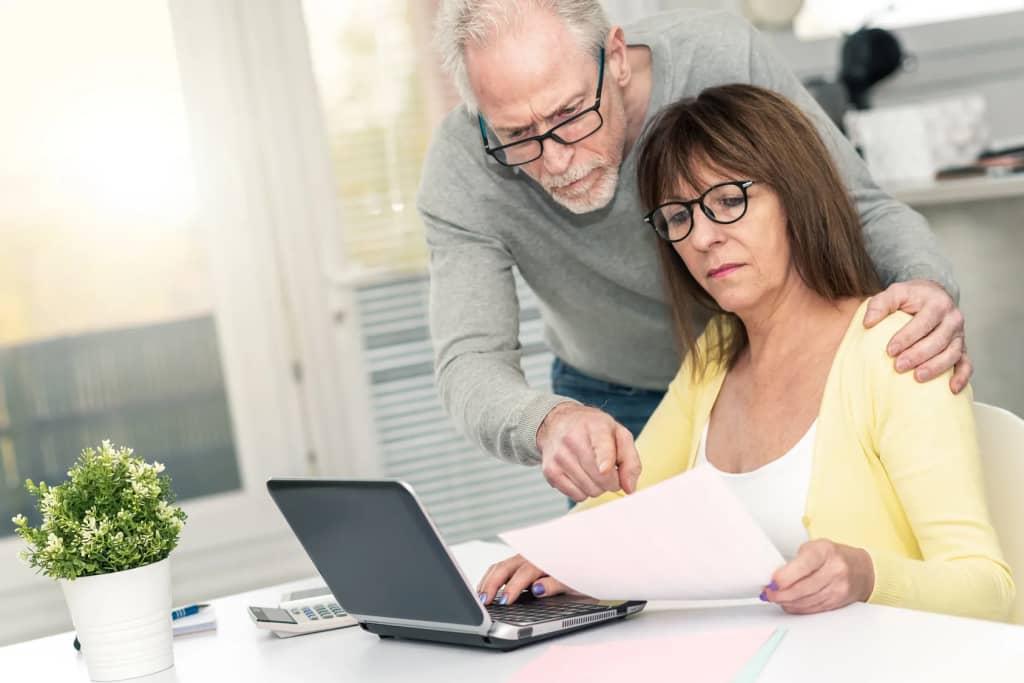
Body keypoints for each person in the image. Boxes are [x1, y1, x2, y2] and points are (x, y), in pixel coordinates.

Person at [475, 84, 1014, 622]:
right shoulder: (714, 354)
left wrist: (866, 576)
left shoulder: (897, 347)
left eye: (729, 201)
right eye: (679, 217)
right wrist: (560, 555)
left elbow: (988, 588)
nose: (703, 237)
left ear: (797, 198)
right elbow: (628, 498)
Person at [421, 1, 971, 504]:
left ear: (614, 57)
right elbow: (471, 362)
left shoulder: (720, 55)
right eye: (518, 135)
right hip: (613, 400)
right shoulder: (463, 166)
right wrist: (547, 422)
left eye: (569, 115)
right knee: (619, 588)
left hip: (774, 373)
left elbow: (857, 206)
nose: (557, 161)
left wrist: (926, 285)